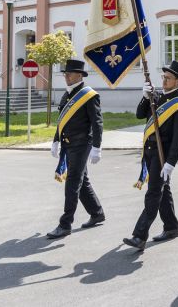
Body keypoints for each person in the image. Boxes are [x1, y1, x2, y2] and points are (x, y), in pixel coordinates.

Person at [123, 61, 178, 250]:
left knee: (153, 192)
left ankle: (140, 235)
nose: (164, 81)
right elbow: (139, 114)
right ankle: (171, 227)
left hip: (163, 155)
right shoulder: (157, 97)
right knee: (163, 190)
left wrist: (170, 163)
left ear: (177, 82)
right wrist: (145, 97)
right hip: (150, 150)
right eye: (163, 77)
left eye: (168, 78)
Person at [47, 59, 105, 239]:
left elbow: (97, 123)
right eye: (65, 74)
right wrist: (56, 140)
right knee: (82, 180)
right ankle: (97, 212)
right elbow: (62, 121)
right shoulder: (67, 94)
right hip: (68, 144)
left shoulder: (89, 95)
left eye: (69, 74)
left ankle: (65, 224)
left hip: (82, 144)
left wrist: (97, 147)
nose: (66, 77)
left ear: (79, 75)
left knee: (73, 181)